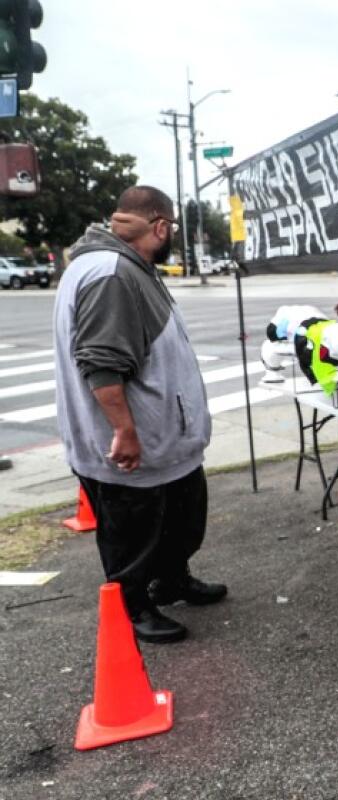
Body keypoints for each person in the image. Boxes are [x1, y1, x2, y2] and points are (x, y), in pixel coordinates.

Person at [54, 186, 225, 645]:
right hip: (134, 445)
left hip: (167, 441)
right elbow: (103, 364)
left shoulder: (124, 264)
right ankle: (133, 606)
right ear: (161, 226)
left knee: (182, 521)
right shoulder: (111, 274)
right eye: (172, 231)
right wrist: (125, 431)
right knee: (131, 537)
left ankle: (171, 580)